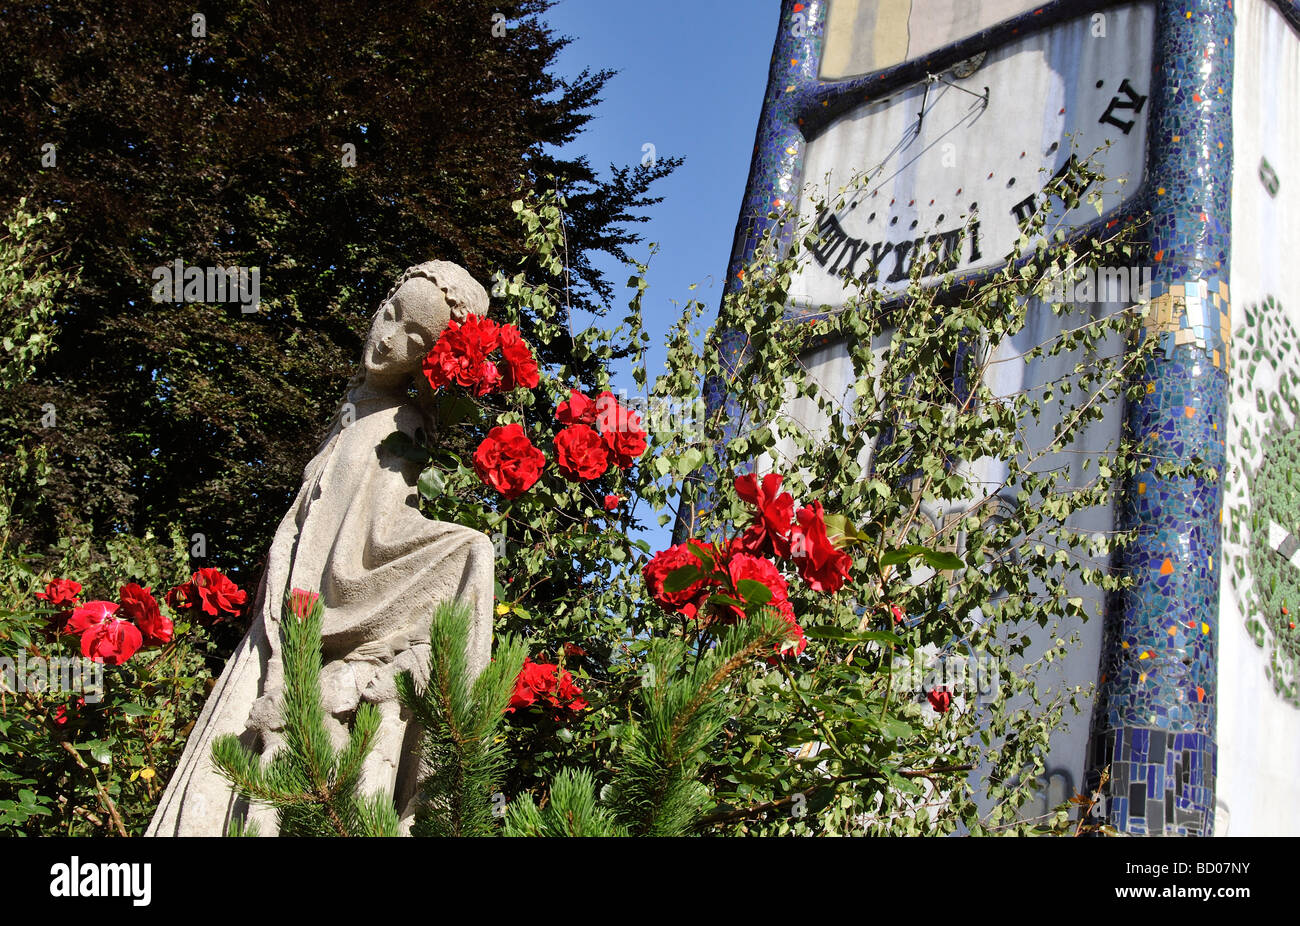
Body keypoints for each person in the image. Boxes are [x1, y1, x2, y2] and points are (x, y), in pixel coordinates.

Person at [148, 261, 495, 836]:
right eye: (390, 314)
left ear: (430, 360)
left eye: (414, 338)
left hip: (299, 635)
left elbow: (366, 543)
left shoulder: (397, 424)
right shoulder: (359, 411)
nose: (388, 338)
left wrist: (463, 553)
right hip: (278, 628)